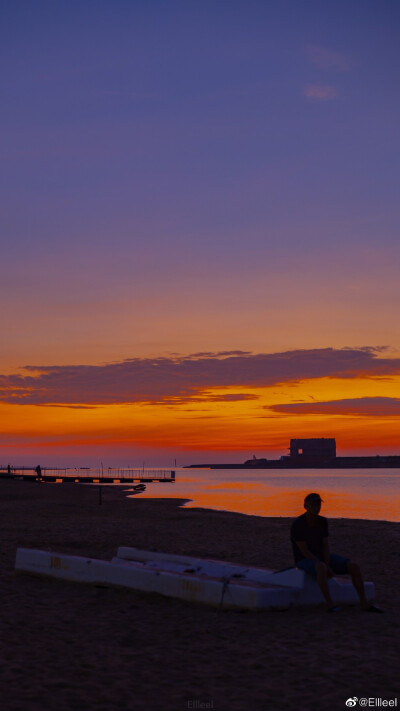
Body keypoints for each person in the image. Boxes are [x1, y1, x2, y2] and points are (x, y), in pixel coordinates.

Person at [291, 492, 382, 613]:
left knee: (354, 567)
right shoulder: (298, 524)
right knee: (321, 567)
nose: (317, 507)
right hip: (304, 560)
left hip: (322, 557)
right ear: (306, 506)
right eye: (313, 504)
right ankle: (329, 604)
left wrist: (327, 563)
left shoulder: (322, 522)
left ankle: (364, 603)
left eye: (318, 504)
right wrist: (322, 564)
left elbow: (325, 545)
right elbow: (304, 550)